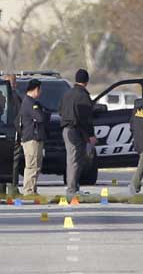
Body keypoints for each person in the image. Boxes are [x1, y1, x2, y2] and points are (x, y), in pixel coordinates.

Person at [58, 68, 97, 199]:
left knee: (76, 159)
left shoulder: (67, 94)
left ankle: (75, 186)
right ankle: (71, 190)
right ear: (86, 81)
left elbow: (60, 111)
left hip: (66, 129)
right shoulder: (83, 96)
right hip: (75, 131)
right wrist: (91, 135)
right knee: (74, 160)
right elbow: (87, 118)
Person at [19, 79, 48, 195]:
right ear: (36, 89)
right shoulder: (29, 103)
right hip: (31, 139)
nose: (40, 92)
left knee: (37, 166)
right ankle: (28, 191)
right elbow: (41, 117)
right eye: (40, 90)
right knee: (32, 166)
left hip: (36, 138)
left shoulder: (33, 102)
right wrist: (43, 114)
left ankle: (33, 189)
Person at [5, 74, 24, 195]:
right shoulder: (16, 97)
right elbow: (19, 117)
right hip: (13, 133)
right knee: (14, 162)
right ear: (14, 84)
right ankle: (13, 189)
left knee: (1, 162)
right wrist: (20, 133)